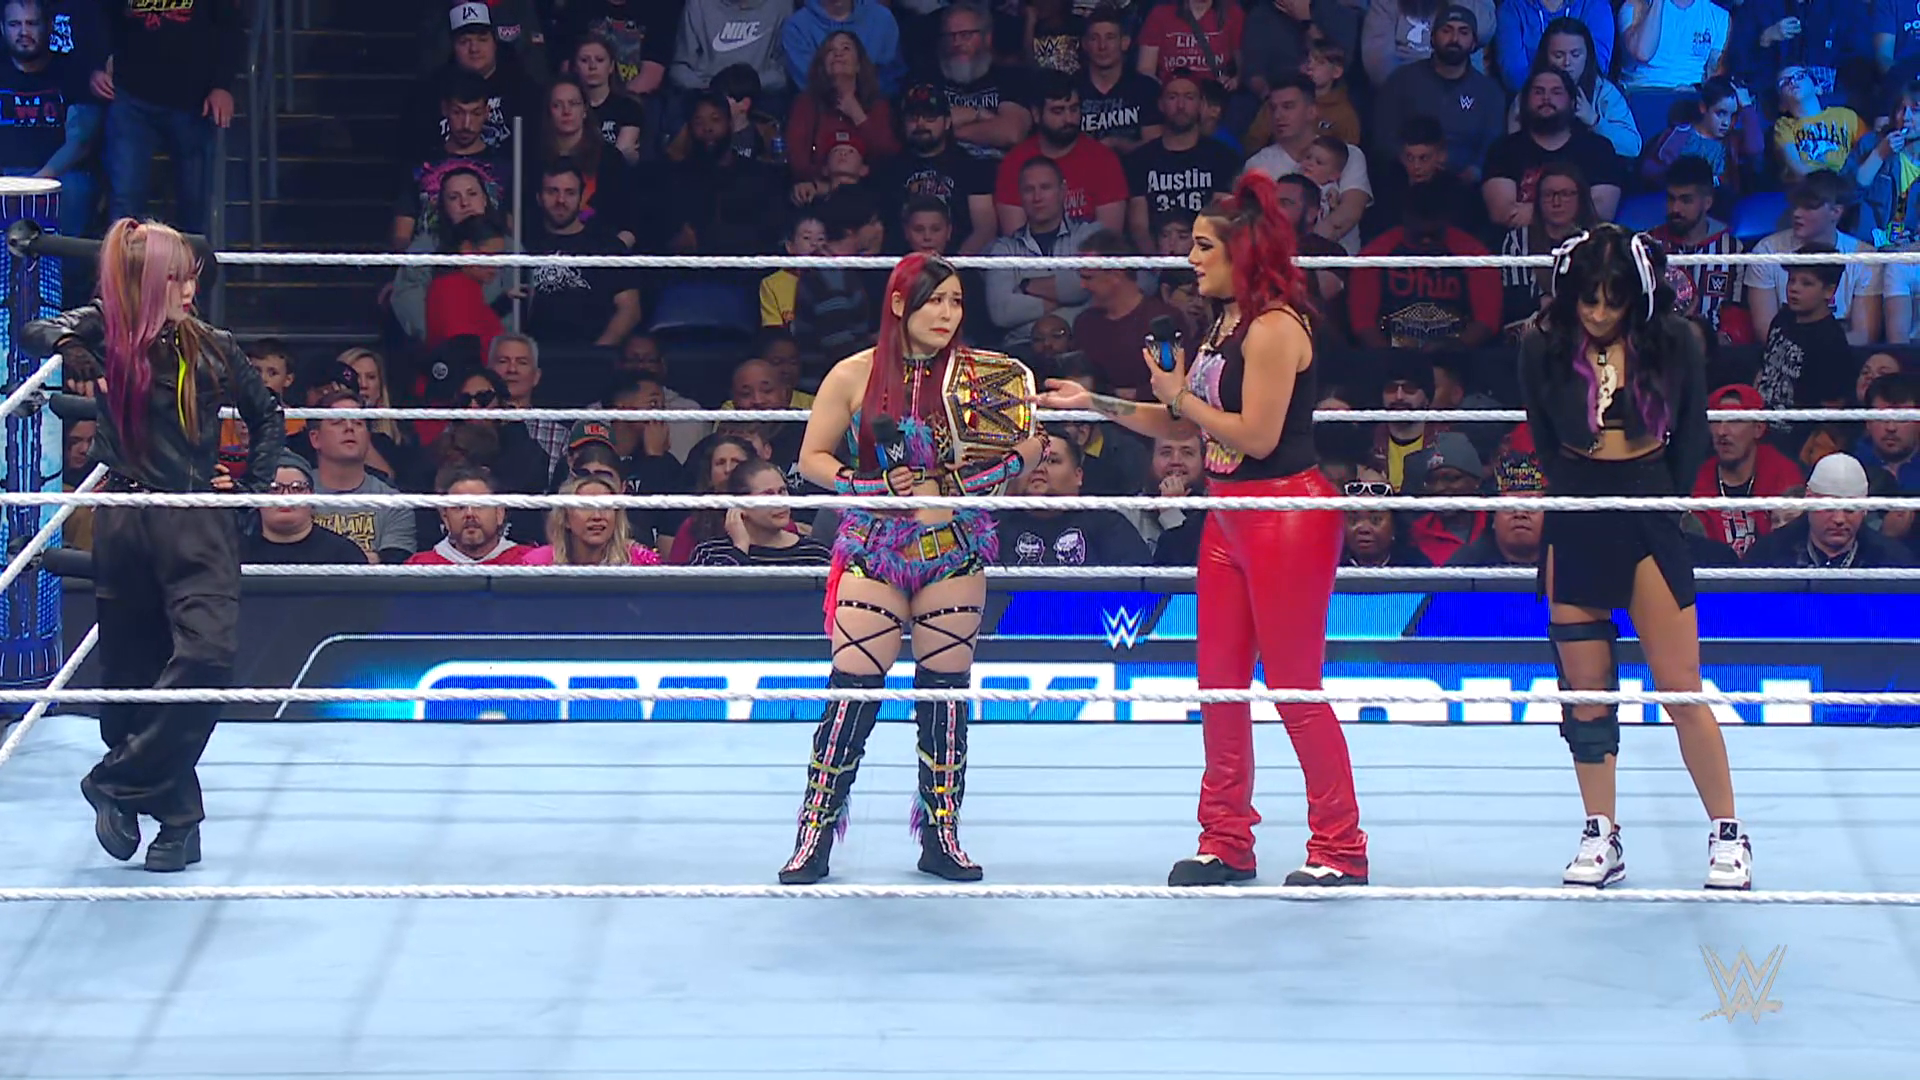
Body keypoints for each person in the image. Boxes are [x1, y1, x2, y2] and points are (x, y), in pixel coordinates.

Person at [1035, 172, 1368, 888]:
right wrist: (1092, 402)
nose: (1190, 258)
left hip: (1285, 514)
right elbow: (1180, 422)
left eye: (1203, 246)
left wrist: (1180, 396)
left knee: (1293, 687)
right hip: (1229, 512)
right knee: (1218, 684)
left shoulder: (1276, 328)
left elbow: (1255, 435)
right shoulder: (1222, 325)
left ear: (1242, 253)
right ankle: (1226, 839)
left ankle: (1341, 847)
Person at [25, 218, 285, 873]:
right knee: (133, 679)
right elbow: (36, 329)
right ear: (145, 284)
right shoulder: (108, 329)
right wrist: (71, 345)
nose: (191, 290)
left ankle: (115, 783)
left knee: (205, 660)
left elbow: (267, 415)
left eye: (191, 277)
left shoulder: (214, 346)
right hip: (124, 517)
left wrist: (250, 491)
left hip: (194, 520)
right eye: (176, 279)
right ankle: (178, 823)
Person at [779, 252, 1047, 885]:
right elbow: (812, 457)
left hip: (953, 544)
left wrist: (1014, 461)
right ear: (901, 304)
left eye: (956, 301)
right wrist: (866, 484)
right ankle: (814, 835)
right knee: (853, 689)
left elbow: (1026, 445)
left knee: (944, 696)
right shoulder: (855, 373)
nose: (947, 313)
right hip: (875, 542)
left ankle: (941, 835)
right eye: (935, 300)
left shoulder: (983, 377)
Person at [1517, 223, 1750, 890]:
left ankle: (1728, 833)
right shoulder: (1542, 342)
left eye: (1612, 300)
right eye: (1588, 298)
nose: (1598, 313)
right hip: (1576, 507)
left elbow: (1693, 433)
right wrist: (1571, 494)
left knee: (1680, 686)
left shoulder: (1673, 341)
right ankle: (1601, 831)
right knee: (1585, 694)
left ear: (1636, 297)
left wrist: (1662, 501)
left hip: (1647, 505)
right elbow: (1541, 430)